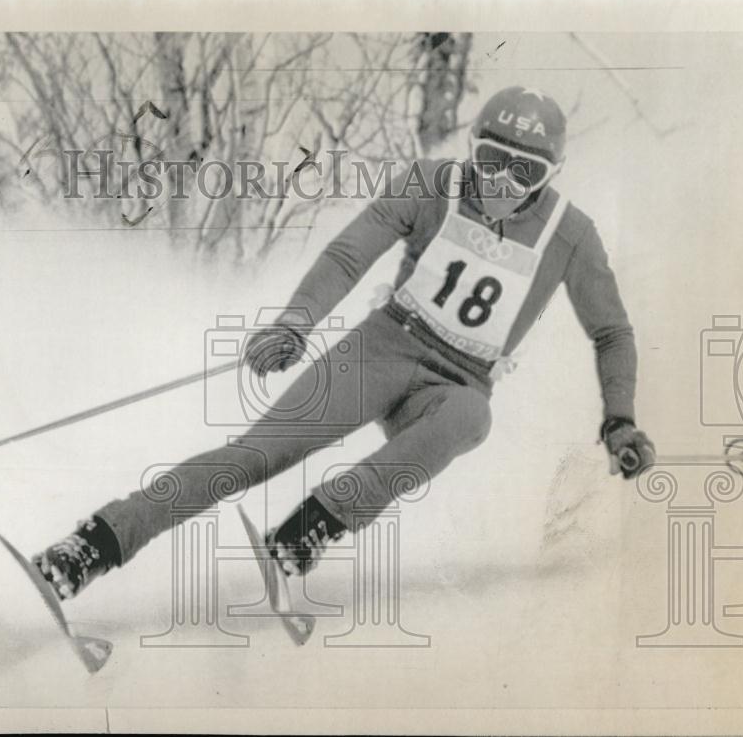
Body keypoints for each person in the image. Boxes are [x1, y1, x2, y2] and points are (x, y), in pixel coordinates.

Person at [33, 85, 656, 600]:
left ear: (550, 177)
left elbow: (612, 331)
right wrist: (297, 321)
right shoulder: (432, 185)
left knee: (474, 417)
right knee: (254, 457)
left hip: (455, 384)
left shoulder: (569, 233)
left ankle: (313, 525)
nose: (500, 183)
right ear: (472, 152)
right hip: (382, 348)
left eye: (524, 172)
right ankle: (92, 544)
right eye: (490, 161)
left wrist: (620, 419)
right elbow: (349, 253)